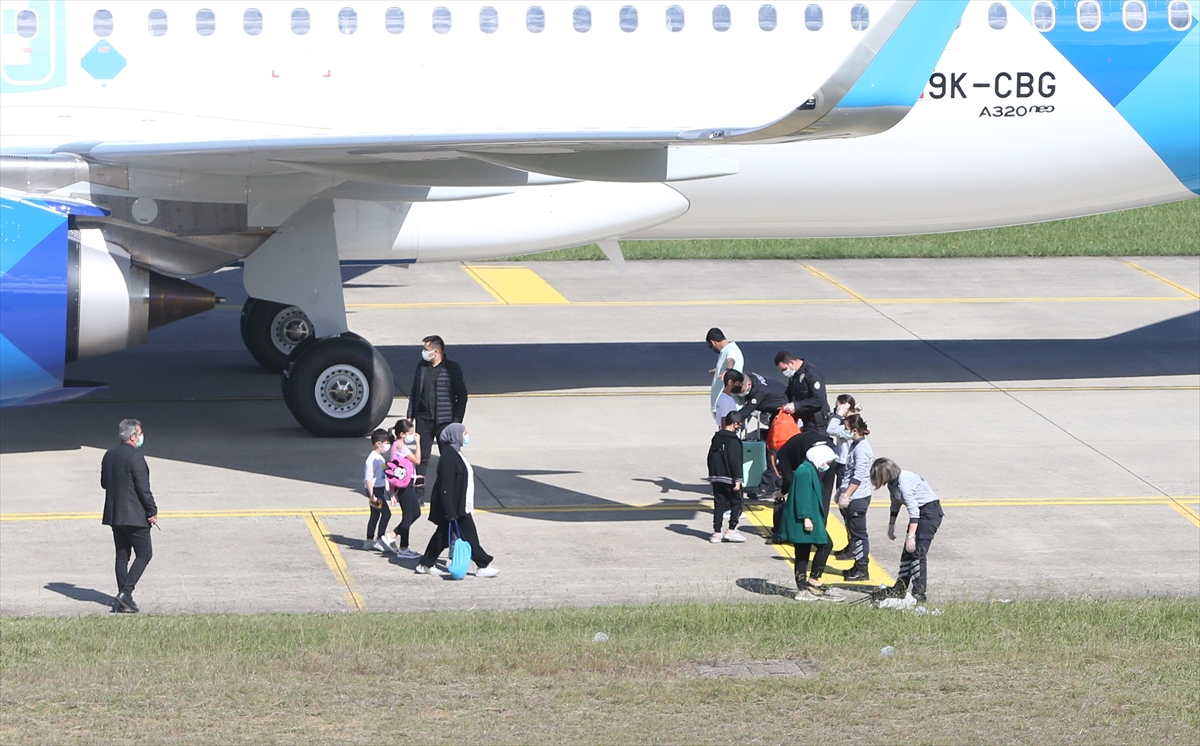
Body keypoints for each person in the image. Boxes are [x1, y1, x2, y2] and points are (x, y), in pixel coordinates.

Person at [416, 423, 499, 577]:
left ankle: (425, 563)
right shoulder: (448, 457)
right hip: (455, 507)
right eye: (464, 433)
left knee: (441, 536)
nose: (466, 436)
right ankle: (483, 565)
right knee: (469, 537)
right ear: (455, 436)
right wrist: (451, 512)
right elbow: (446, 487)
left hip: (460, 505)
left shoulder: (455, 453)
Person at [100, 419, 158, 614]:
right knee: (144, 553)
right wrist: (152, 510)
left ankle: (121, 599)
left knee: (122, 556)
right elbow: (143, 488)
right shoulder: (136, 457)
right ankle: (126, 592)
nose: (141, 436)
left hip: (115, 514)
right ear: (133, 436)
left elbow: (104, 483)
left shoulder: (109, 455)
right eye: (140, 433)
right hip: (134, 514)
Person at [870, 457, 945, 602]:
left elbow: (914, 512)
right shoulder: (892, 483)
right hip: (920, 514)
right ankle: (900, 588)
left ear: (885, 474)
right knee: (907, 554)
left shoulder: (904, 483)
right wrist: (891, 525)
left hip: (929, 513)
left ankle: (919, 593)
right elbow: (895, 503)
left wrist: (911, 537)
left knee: (917, 554)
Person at [778, 444, 843, 602]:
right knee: (824, 545)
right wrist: (806, 517)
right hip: (807, 518)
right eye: (826, 462)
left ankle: (805, 584)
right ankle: (811, 581)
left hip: (809, 517)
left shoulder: (807, 469)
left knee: (803, 551)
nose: (826, 466)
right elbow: (802, 494)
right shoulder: (806, 471)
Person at [406, 335, 468, 498]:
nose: (423, 354)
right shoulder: (422, 367)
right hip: (424, 419)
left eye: (426, 350)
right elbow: (414, 392)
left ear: (436, 351)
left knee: (449, 458)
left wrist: (456, 423)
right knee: (421, 458)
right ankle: (419, 493)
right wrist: (410, 416)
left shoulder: (452, 368)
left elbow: (461, 396)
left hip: (445, 422)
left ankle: (449, 491)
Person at [723, 369, 789, 498]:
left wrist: (728, 427)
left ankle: (767, 487)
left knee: (773, 450)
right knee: (771, 449)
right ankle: (777, 482)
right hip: (776, 415)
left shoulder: (758, 392)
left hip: (785, 417)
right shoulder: (748, 377)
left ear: (747, 386)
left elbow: (745, 412)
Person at [771, 427, 836, 544]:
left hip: (815, 452)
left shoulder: (782, 456)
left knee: (810, 495)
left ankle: (796, 532)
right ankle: (820, 531)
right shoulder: (790, 446)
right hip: (829, 450)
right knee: (824, 496)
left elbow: (789, 480)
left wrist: (781, 492)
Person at [834, 414, 873, 581]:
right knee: (854, 532)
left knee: (859, 535)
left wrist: (846, 494)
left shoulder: (862, 449)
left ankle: (862, 568)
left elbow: (857, 476)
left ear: (855, 430)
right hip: (852, 496)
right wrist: (841, 490)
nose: (845, 431)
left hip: (857, 498)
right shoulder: (855, 445)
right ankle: (857, 565)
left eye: (846, 429)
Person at [377, 419, 423, 559]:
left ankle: (403, 546)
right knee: (410, 515)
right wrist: (418, 443)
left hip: (405, 483)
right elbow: (417, 460)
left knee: (413, 514)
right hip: (405, 486)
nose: (413, 435)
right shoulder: (400, 446)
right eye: (410, 433)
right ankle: (394, 538)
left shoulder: (396, 444)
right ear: (402, 434)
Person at [706, 413, 747, 544]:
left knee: (719, 504)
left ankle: (716, 532)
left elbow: (710, 457)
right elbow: (735, 460)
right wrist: (738, 479)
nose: (740, 426)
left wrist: (712, 475)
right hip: (729, 477)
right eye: (739, 424)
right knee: (737, 502)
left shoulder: (717, 438)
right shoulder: (733, 440)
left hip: (716, 477)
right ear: (735, 424)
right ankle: (731, 529)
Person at [775, 351, 830, 431]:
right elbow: (789, 393)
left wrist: (796, 406)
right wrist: (783, 405)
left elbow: (819, 399)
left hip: (816, 422)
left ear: (792, 363)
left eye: (784, 369)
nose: (784, 373)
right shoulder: (794, 375)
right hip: (804, 420)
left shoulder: (811, 374)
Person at [706, 328, 743, 426]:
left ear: (713, 342)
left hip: (727, 407)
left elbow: (731, 359)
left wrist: (727, 370)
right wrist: (719, 370)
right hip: (724, 406)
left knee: (727, 435)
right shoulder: (729, 349)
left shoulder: (730, 350)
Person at [364, 429, 392, 551]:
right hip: (374, 490)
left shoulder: (380, 458)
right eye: (386, 442)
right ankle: (380, 538)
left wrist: (390, 492)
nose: (388, 446)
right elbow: (368, 479)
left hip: (379, 489)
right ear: (378, 444)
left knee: (375, 515)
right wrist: (372, 495)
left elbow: (384, 476)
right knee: (386, 514)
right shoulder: (372, 459)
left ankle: (369, 540)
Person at [826, 394, 859, 486]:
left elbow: (830, 429)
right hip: (843, 463)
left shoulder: (849, 424)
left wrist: (838, 415)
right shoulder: (853, 420)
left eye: (838, 406)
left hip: (846, 465)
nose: (836, 408)